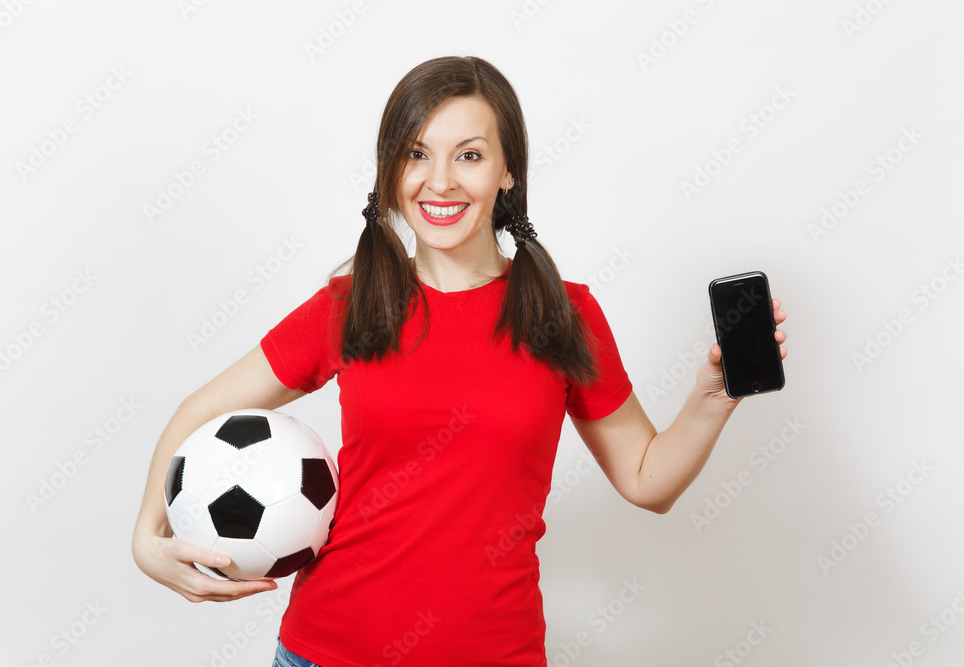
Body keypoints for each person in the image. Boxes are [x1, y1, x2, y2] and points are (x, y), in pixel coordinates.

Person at [132, 55, 788, 667]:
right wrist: (145, 538)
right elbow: (202, 410)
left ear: (508, 172)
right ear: (391, 169)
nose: (439, 181)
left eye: (468, 155)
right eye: (417, 154)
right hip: (327, 649)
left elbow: (648, 480)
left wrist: (710, 401)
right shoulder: (352, 304)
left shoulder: (565, 314)